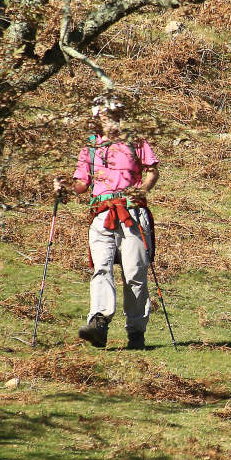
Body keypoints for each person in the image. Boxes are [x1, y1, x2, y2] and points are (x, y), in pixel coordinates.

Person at [53, 93, 160, 350]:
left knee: (135, 273)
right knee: (100, 268)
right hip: (101, 213)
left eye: (115, 115)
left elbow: (152, 170)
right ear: (97, 119)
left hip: (132, 212)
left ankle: (136, 333)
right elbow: (81, 184)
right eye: (105, 115)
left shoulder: (136, 141)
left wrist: (141, 191)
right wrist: (64, 185)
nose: (112, 120)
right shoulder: (89, 148)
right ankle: (99, 323)